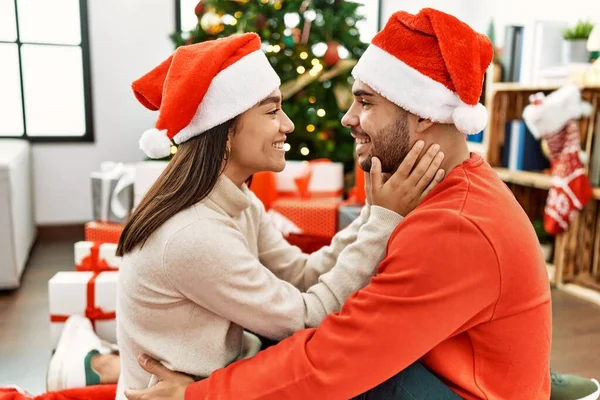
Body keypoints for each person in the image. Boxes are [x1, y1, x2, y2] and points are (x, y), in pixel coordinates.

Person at [121, 8, 599, 400]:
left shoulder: (453, 225)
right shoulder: (443, 195)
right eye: (273, 110)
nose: (348, 119)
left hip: (452, 385)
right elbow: (314, 309)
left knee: (330, 356)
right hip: (437, 360)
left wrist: (200, 396)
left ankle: (527, 379)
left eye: (365, 102)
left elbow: (329, 357)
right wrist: (379, 218)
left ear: (424, 115)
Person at [45, 32, 450, 397]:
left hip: (218, 376)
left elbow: (303, 276)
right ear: (223, 132)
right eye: (272, 111)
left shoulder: (235, 200)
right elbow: (309, 320)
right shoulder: (194, 233)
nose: (288, 125)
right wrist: (382, 222)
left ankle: (102, 364)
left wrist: (372, 213)